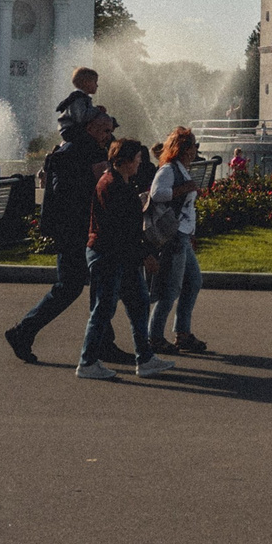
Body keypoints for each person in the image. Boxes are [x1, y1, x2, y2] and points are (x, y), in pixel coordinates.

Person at [4, 107, 115, 362]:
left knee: (96, 285)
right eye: (105, 130)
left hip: (74, 229)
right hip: (76, 230)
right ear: (90, 128)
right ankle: (24, 331)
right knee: (71, 286)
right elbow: (80, 191)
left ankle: (103, 343)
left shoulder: (72, 149)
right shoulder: (84, 152)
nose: (109, 136)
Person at [77, 138, 170, 381]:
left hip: (121, 255)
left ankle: (146, 359)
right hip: (108, 254)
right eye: (137, 159)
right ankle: (87, 362)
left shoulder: (121, 182)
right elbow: (117, 229)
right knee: (103, 309)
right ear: (124, 161)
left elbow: (125, 226)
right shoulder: (111, 185)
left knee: (138, 305)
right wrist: (145, 255)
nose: (141, 163)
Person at [146, 127, 206, 356]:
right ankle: (155, 336)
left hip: (183, 235)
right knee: (170, 289)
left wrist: (191, 233)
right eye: (193, 146)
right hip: (173, 236)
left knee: (193, 282)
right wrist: (184, 188)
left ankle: (182, 332)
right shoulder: (170, 170)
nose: (195, 150)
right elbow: (157, 193)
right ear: (184, 149)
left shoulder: (180, 169)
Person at [55, 66, 100, 136]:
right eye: (95, 82)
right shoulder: (78, 98)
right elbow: (82, 117)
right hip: (71, 130)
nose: (97, 85)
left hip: (73, 129)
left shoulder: (81, 97)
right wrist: (97, 110)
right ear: (86, 83)